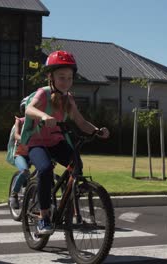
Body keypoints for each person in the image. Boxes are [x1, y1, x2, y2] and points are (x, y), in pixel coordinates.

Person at [25, 50, 109, 235]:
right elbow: (29, 109)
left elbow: (80, 122)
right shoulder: (43, 94)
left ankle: (68, 207)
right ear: (51, 77)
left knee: (77, 165)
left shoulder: (68, 98)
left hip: (56, 142)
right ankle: (44, 217)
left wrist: (96, 130)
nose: (66, 81)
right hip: (37, 143)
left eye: (70, 78)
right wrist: (44, 116)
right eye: (61, 77)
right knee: (46, 169)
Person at [8, 111, 30, 210]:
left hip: (33, 154)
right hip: (19, 154)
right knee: (25, 171)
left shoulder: (39, 122)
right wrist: (25, 139)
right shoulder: (20, 121)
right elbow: (16, 135)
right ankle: (14, 194)